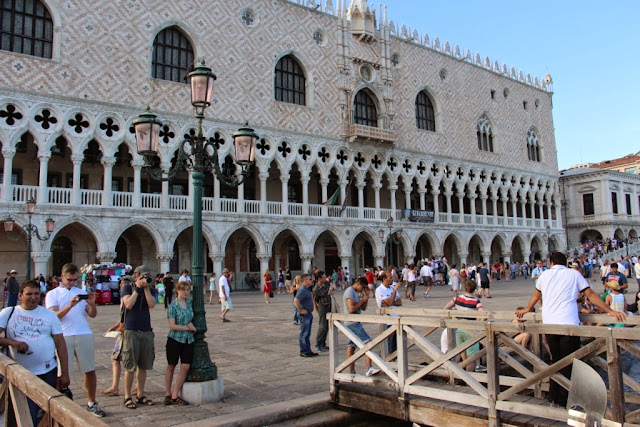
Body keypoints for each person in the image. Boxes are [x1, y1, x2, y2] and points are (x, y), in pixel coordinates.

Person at [516, 252, 626, 407]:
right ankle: (564, 401)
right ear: (565, 263)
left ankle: (553, 399)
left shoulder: (544, 275)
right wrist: (610, 311)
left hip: (550, 324)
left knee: (556, 360)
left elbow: (536, 296)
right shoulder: (574, 274)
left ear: (551, 263)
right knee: (569, 362)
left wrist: (527, 309)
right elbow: (590, 294)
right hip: (569, 324)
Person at [0, 280, 70, 426]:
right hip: (20, 373)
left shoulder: (50, 315)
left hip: (47, 371)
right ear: (20, 295)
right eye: (29, 294)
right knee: (26, 413)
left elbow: (60, 344)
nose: (33, 297)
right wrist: (12, 342)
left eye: (36, 294)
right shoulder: (9, 313)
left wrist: (65, 373)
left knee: (47, 414)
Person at [45, 263, 105, 417]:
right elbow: (54, 316)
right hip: (63, 335)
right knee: (62, 372)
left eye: (74, 280)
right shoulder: (53, 294)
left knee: (89, 369)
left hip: (83, 333)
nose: (72, 283)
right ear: (62, 277)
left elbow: (92, 314)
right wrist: (70, 306)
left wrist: (92, 304)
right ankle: (59, 404)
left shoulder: (81, 292)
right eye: (69, 280)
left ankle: (91, 402)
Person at [121, 265, 157, 409]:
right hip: (131, 330)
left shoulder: (150, 289)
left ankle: (140, 394)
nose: (145, 278)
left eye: (147, 276)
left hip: (146, 329)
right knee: (130, 365)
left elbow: (152, 304)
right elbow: (128, 304)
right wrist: (137, 288)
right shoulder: (127, 288)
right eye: (143, 276)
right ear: (136, 276)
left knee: (143, 365)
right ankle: (127, 396)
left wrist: (146, 288)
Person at [443, 279, 486, 372]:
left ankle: (459, 375)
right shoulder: (476, 301)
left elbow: (445, 308)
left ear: (465, 288)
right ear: (474, 289)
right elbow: (483, 314)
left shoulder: (457, 298)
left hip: (458, 329)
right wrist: (479, 323)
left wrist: (454, 315)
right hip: (471, 330)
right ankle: (469, 379)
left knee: (461, 353)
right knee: (471, 358)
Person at [164, 281, 196, 406]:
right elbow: (172, 326)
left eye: (187, 290)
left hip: (188, 340)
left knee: (185, 366)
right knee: (171, 366)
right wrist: (187, 328)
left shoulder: (190, 303)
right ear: (177, 291)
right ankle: (167, 393)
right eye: (183, 290)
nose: (186, 292)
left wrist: (192, 325)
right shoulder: (173, 306)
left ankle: (175, 394)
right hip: (175, 339)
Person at [101, 276, 132, 397]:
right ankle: (136, 387)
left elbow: (126, 317)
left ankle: (115, 387)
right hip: (126, 330)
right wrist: (114, 326)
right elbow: (123, 317)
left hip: (126, 333)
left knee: (117, 359)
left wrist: (116, 326)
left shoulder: (127, 298)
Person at [344, 277, 381, 377]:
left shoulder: (356, 293)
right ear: (358, 284)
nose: (363, 289)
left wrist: (366, 297)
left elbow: (363, 308)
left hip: (356, 322)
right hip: (352, 323)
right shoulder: (350, 291)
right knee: (368, 342)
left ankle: (352, 372)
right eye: (363, 287)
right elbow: (351, 309)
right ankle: (369, 368)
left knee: (351, 346)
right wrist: (362, 300)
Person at [375, 271, 402, 355]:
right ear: (384, 279)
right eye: (390, 277)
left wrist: (390, 302)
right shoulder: (379, 290)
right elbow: (389, 303)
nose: (392, 279)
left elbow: (399, 302)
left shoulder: (392, 288)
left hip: (396, 319)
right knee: (388, 346)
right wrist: (394, 292)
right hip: (387, 321)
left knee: (396, 347)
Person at [293, 274, 317, 357]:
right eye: (310, 279)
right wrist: (300, 310)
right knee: (304, 333)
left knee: (307, 333)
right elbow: (296, 300)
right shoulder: (303, 289)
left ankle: (308, 350)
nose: (312, 280)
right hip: (305, 315)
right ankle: (303, 351)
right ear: (305, 280)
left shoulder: (307, 289)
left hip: (308, 313)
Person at [313, 270, 332, 353]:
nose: (325, 278)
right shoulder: (316, 289)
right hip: (322, 306)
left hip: (329, 305)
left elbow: (332, 286)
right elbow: (315, 300)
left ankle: (323, 343)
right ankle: (318, 343)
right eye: (323, 277)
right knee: (322, 326)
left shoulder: (327, 284)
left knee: (327, 326)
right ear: (319, 279)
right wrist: (317, 310)